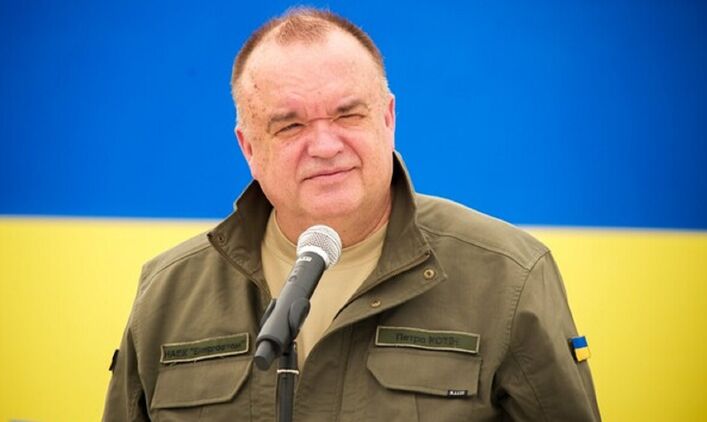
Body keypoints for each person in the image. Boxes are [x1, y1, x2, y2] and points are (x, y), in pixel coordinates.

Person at [103, 7, 600, 421]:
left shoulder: (508, 277)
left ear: (388, 118)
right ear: (248, 148)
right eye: (290, 125)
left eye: (348, 114)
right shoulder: (169, 293)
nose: (325, 145)